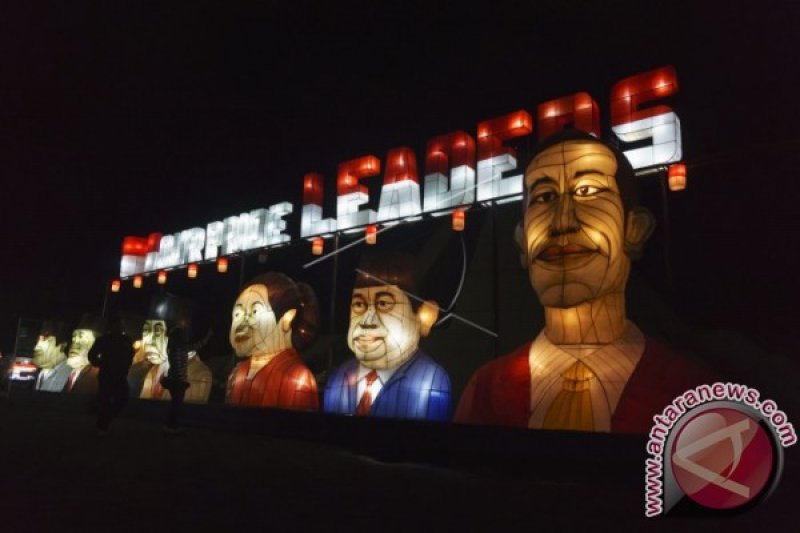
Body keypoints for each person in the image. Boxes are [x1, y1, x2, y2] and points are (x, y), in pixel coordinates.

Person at [455, 129, 715, 434]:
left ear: (633, 229)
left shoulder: (692, 395)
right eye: (545, 197)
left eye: (588, 190)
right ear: (522, 242)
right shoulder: (487, 389)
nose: (562, 221)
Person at [323, 252, 451, 421]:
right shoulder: (338, 378)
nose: (367, 321)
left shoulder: (432, 381)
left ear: (424, 316)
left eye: (384, 304)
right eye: (359, 305)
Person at [226, 273, 319, 409]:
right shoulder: (238, 373)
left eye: (254, 312)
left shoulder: (299, 378)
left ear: (287, 318)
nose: (241, 324)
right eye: (237, 314)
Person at [129, 295, 212, 403]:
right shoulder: (151, 370)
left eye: (157, 332)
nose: (149, 343)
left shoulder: (200, 375)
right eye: (146, 332)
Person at [160, 325, 212, 434]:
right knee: (177, 406)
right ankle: (172, 427)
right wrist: (208, 336)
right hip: (179, 382)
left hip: (173, 381)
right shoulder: (182, 349)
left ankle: (170, 425)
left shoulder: (171, 349)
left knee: (175, 404)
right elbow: (198, 345)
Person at [89, 316, 135, 436]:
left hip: (120, 375)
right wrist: (101, 364)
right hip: (107, 375)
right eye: (119, 325)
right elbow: (92, 355)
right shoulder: (104, 340)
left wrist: (126, 367)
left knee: (122, 398)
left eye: (122, 325)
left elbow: (131, 354)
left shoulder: (126, 340)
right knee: (105, 401)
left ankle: (105, 421)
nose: (121, 327)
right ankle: (102, 426)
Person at [64, 315, 105, 395]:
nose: (74, 345)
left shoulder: (97, 375)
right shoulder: (71, 373)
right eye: (73, 339)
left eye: (81, 338)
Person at [32, 320, 71, 392]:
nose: (36, 347)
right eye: (38, 340)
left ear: (62, 345)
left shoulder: (70, 375)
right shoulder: (43, 372)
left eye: (45, 339)